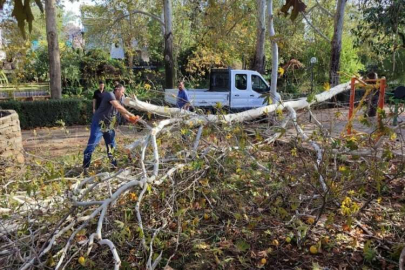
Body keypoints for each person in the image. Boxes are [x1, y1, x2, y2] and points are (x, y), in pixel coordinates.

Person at [83, 84, 140, 172]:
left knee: (112, 146)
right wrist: (132, 114)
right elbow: (118, 107)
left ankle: (114, 166)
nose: (123, 94)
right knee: (92, 145)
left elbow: (122, 112)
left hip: (108, 125)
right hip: (98, 123)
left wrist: (132, 119)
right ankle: (85, 168)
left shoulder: (121, 98)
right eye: (122, 92)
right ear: (117, 90)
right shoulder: (109, 95)